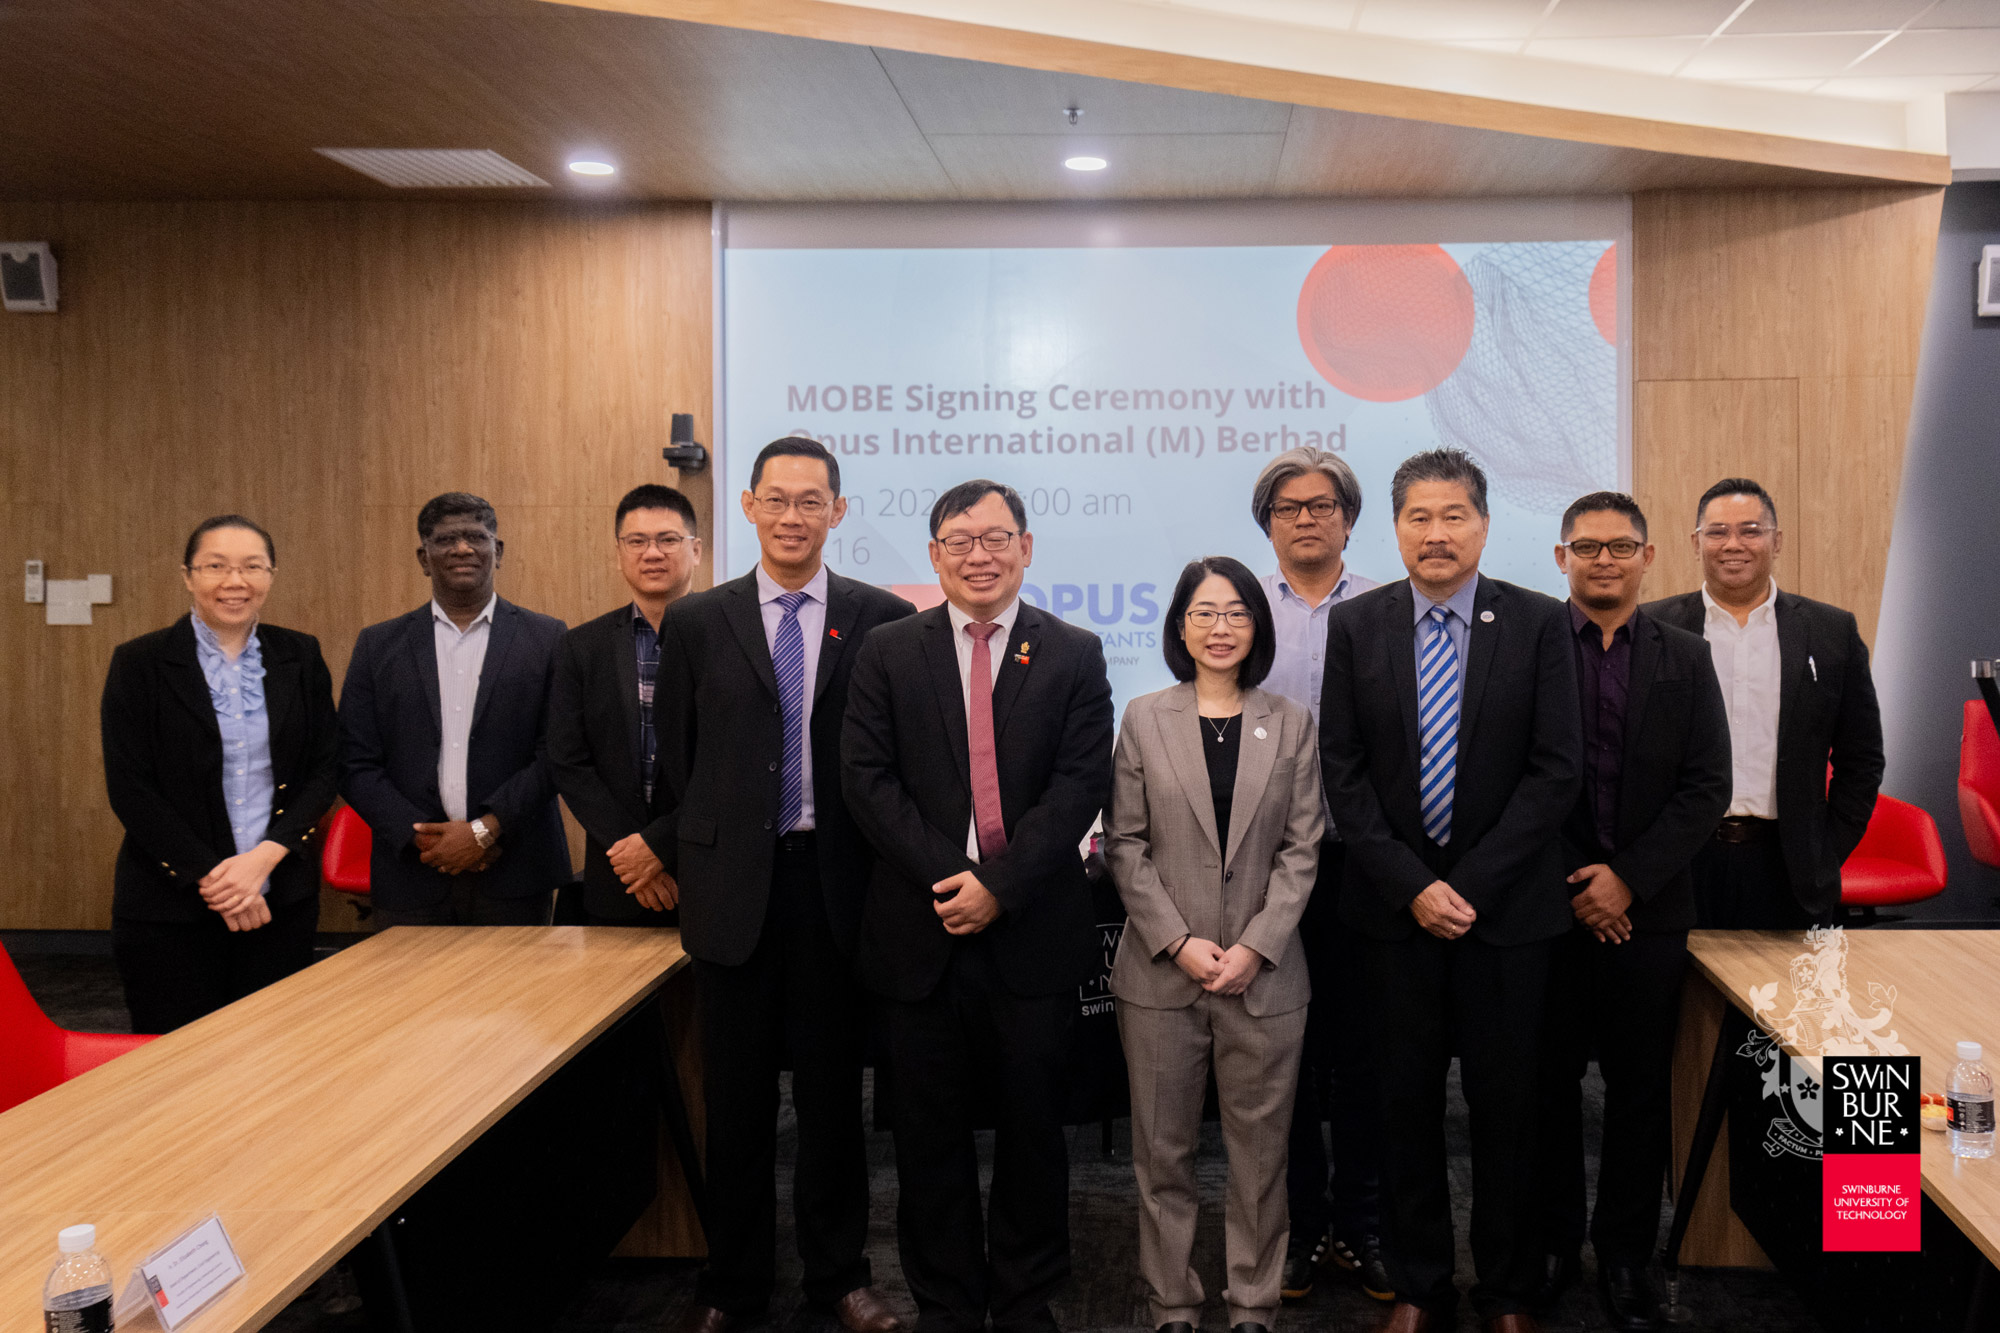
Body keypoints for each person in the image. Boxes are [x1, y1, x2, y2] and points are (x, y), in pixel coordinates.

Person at [649, 439, 913, 1333]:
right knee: (738, 1102)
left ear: (839, 512)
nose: (793, 515)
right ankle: (732, 1283)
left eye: (812, 500)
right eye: (777, 499)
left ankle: (839, 1276)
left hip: (836, 889)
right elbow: (681, 760)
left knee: (837, 1100)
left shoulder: (880, 618)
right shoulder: (695, 622)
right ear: (750, 509)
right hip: (733, 893)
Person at [842, 479, 1114, 1333]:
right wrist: (952, 880)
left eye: (997, 537)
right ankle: (949, 1301)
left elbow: (1080, 785)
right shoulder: (888, 649)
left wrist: (999, 885)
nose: (979, 555)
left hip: (1031, 928)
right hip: (918, 934)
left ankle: (1027, 1295)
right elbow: (866, 780)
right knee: (929, 1138)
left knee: (1035, 1130)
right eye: (959, 540)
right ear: (934, 557)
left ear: (1027, 548)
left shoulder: (1073, 650)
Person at [1318, 448, 1580, 1333]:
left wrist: (1460, 886)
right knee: (1403, 1107)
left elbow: (1556, 772)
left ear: (1484, 523)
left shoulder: (1541, 623)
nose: (1436, 534)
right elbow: (1343, 774)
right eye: (1419, 518)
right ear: (1393, 529)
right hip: (1393, 919)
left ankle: (1506, 1287)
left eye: (1454, 516)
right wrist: (1413, 887)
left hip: (1507, 916)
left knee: (1510, 1110)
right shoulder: (1357, 626)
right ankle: (1424, 1283)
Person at [1104, 556, 1323, 1333]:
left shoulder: (1290, 721)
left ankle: (1254, 1301)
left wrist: (1256, 945)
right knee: (1161, 1156)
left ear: (1256, 625)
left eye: (1235, 611)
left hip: (1264, 980)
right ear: (1180, 626)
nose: (1220, 626)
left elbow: (1303, 850)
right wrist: (1178, 941)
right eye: (1204, 612)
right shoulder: (1144, 716)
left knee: (1260, 1159)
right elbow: (1124, 845)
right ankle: (1171, 1301)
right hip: (1162, 975)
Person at [1529, 493, 1731, 1332]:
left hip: (1647, 913)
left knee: (1640, 1090)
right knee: (1544, 1088)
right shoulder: (1530, 649)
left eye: (1620, 546)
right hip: (1545, 911)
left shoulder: (1687, 655)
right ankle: (1549, 1245)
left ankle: (1623, 1254)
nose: (1603, 559)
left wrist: (1627, 882)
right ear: (1560, 556)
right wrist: (1582, 888)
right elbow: (1513, 778)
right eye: (1587, 546)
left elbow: (1705, 787)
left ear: (1650, 557)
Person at [100, 515, 340, 1032]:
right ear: (188, 577)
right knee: (173, 1066)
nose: (235, 582)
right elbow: (130, 788)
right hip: (169, 906)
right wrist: (217, 881)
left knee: (274, 1057)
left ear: (271, 576)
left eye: (252, 566)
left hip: (279, 900)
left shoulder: (300, 654)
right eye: (216, 567)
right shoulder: (139, 662)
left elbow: (325, 768)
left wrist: (263, 861)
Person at [1248, 448, 1389, 1303]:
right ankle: (1299, 1229)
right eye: (1289, 506)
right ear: (1267, 522)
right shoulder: (1236, 609)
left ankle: (1363, 1225)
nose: (1307, 517)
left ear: (1348, 516)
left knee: (1368, 1057)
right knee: (1282, 1064)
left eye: (1323, 504)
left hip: (1365, 865)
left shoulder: (1385, 606)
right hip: (1264, 877)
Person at [1644, 478, 1884, 930]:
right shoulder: (1652, 628)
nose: (1733, 544)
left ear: (1777, 541)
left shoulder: (1831, 632)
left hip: (1790, 868)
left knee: (1786, 1001)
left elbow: (1862, 757)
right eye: (1717, 532)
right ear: (1696, 543)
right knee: (1679, 998)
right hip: (1677, 865)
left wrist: (1826, 850)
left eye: (1751, 530)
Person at [337, 492, 569, 926]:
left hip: (516, 870)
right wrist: (424, 839)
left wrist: (485, 831)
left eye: (475, 537)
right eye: (446, 540)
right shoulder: (377, 646)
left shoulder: (548, 638)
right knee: (410, 996)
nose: (462, 548)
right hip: (410, 872)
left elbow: (557, 751)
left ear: (497, 552)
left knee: (517, 996)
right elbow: (354, 761)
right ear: (424, 558)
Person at [548, 483, 702, 926]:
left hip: (705, 869)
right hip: (618, 872)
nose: (652, 553)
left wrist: (659, 845)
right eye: (637, 541)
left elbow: (730, 764)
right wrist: (632, 852)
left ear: (695, 550)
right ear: (619, 553)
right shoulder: (581, 647)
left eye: (668, 540)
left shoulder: (729, 639)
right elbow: (568, 761)